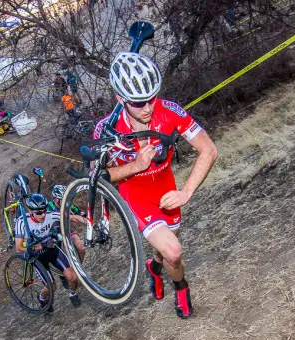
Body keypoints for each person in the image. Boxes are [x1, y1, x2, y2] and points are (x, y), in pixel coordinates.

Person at [93, 52, 218, 319]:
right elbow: (99, 178)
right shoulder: (106, 130)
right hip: (135, 194)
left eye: (151, 98)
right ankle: (181, 288)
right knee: (174, 253)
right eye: (138, 103)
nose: (148, 108)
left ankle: (153, 266)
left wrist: (186, 192)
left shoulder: (169, 110)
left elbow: (208, 150)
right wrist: (135, 166)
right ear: (120, 99)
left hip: (166, 187)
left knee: (167, 245)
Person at [14, 193, 87, 311]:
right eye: (39, 213)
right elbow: (18, 248)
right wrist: (38, 246)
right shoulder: (22, 222)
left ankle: (72, 293)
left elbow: (73, 217)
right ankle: (42, 298)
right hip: (37, 258)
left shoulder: (50, 215)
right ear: (31, 211)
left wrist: (89, 222)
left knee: (73, 278)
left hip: (51, 250)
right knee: (52, 288)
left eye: (44, 211)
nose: (43, 215)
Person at [46, 185, 86, 262]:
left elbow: (79, 213)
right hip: (52, 234)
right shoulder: (49, 207)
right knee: (58, 256)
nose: (66, 202)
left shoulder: (67, 204)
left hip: (65, 230)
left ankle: (79, 267)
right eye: (64, 199)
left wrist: (87, 219)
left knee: (81, 248)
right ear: (56, 200)